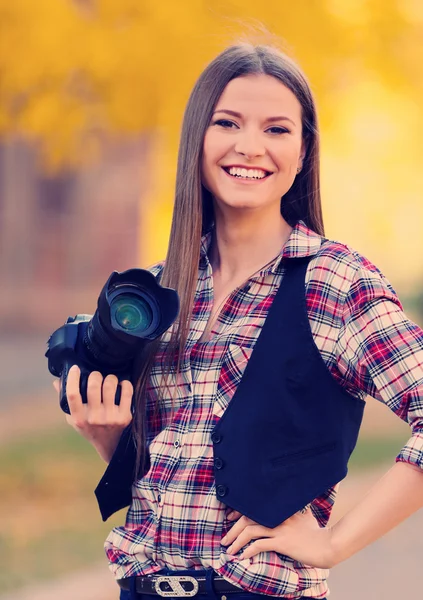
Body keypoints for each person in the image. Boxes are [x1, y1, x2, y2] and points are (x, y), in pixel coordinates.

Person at [54, 42, 423, 600]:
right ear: (197, 142)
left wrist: (334, 544)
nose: (250, 146)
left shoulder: (336, 282)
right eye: (228, 122)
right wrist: (111, 440)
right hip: (144, 586)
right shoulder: (159, 292)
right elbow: (171, 470)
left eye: (277, 129)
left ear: (303, 153)